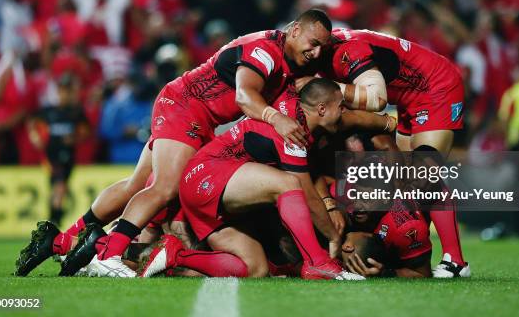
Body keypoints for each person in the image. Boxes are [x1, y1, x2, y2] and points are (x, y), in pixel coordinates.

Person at [14, 9, 332, 277]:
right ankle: (107, 254)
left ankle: (62, 240)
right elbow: (244, 95)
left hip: (193, 114)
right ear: (294, 30)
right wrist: (276, 119)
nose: (316, 52)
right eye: (313, 43)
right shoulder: (265, 51)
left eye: (322, 47)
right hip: (186, 108)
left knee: (136, 185)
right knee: (165, 189)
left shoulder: (289, 62)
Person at [136, 79, 363, 280]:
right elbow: (307, 193)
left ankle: (176, 256)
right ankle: (318, 263)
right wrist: (333, 237)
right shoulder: (292, 129)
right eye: (340, 107)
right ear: (321, 109)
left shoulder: (296, 115)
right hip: (206, 176)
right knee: (289, 184)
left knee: (255, 269)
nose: (344, 113)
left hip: (212, 193)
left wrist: (387, 123)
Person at [311, 27, 469, 278]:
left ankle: (456, 261)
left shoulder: (348, 53)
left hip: (435, 86)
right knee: (412, 187)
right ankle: (412, 252)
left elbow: (377, 98)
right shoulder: (327, 55)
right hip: (408, 98)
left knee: (423, 176)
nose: (311, 52)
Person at [27, 74, 89, 226]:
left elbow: (86, 131)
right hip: (51, 155)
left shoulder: (76, 112)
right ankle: (54, 218)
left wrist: (74, 139)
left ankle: (53, 217)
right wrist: (35, 136)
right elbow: (32, 122)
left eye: (69, 90)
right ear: (59, 91)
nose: (66, 94)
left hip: (68, 154)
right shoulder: (49, 111)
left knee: (60, 185)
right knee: (59, 184)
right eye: (63, 90)